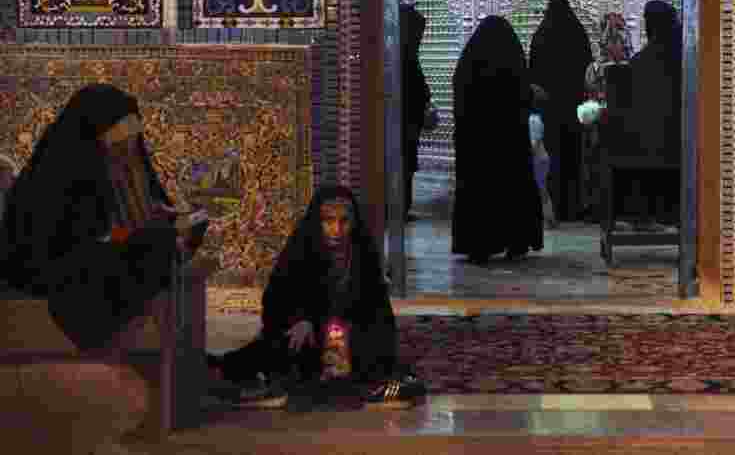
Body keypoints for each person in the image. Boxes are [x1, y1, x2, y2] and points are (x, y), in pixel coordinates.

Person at [0, 84, 198, 352]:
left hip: (93, 255)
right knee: (145, 252)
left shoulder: (126, 166)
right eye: (118, 146)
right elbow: (69, 244)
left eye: (132, 144)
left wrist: (166, 220)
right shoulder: (58, 174)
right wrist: (134, 237)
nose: (127, 154)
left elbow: (138, 219)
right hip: (48, 268)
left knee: (158, 246)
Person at [208, 186, 424, 409]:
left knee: (374, 357)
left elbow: (379, 313)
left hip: (349, 341)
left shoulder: (363, 254)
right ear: (317, 222)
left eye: (344, 221)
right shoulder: (301, 250)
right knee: (284, 347)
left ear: (354, 223)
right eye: (328, 221)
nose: (337, 230)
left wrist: (356, 333)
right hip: (308, 339)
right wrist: (299, 320)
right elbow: (275, 302)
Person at [452, 15, 543, 265]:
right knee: (512, 189)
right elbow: (523, 95)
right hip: (509, 145)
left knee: (478, 193)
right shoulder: (511, 61)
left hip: (476, 147)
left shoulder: (468, 63)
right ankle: (516, 242)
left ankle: (478, 245)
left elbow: (460, 100)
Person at [528, 0, 593, 222]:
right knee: (572, 156)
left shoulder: (541, 35)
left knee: (551, 154)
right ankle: (572, 207)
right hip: (573, 107)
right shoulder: (578, 33)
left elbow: (533, 73)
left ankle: (552, 206)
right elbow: (587, 69)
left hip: (549, 108)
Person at [627, 0, 683, 230]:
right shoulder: (687, 57)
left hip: (646, 146)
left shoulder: (641, 62)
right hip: (682, 140)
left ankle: (643, 215)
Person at [581, 12, 634, 222]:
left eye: (618, 36)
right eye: (610, 37)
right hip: (601, 124)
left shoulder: (631, 67)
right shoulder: (594, 69)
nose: (615, 42)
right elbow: (589, 99)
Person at [400, 4, 432, 222]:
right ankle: (397, 207)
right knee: (401, 165)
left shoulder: (404, 54)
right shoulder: (404, 57)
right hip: (402, 123)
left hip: (406, 123)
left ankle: (399, 207)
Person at [528, 84, 557, 231]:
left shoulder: (533, 120)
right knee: (541, 189)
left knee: (540, 190)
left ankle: (549, 219)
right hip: (541, 158)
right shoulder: (536, 118)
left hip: (537, 159)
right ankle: (549, 219)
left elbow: (533, 144)